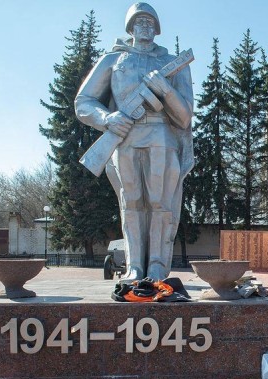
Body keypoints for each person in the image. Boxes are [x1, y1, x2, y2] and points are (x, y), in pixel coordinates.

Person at [75, 2, 194, 281]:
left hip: (161, 137)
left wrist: (165, 89)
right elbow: (84, 102)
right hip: (124, 136)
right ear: (129, 27)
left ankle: (156, 265)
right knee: (131, 203)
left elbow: (185, 117)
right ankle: (134, 267)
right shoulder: (113, 60)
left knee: (159, 203)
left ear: (157, 28)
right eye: (139, 22)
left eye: (150, 22)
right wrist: (107, 118)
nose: (145, 27)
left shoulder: (172, 63)